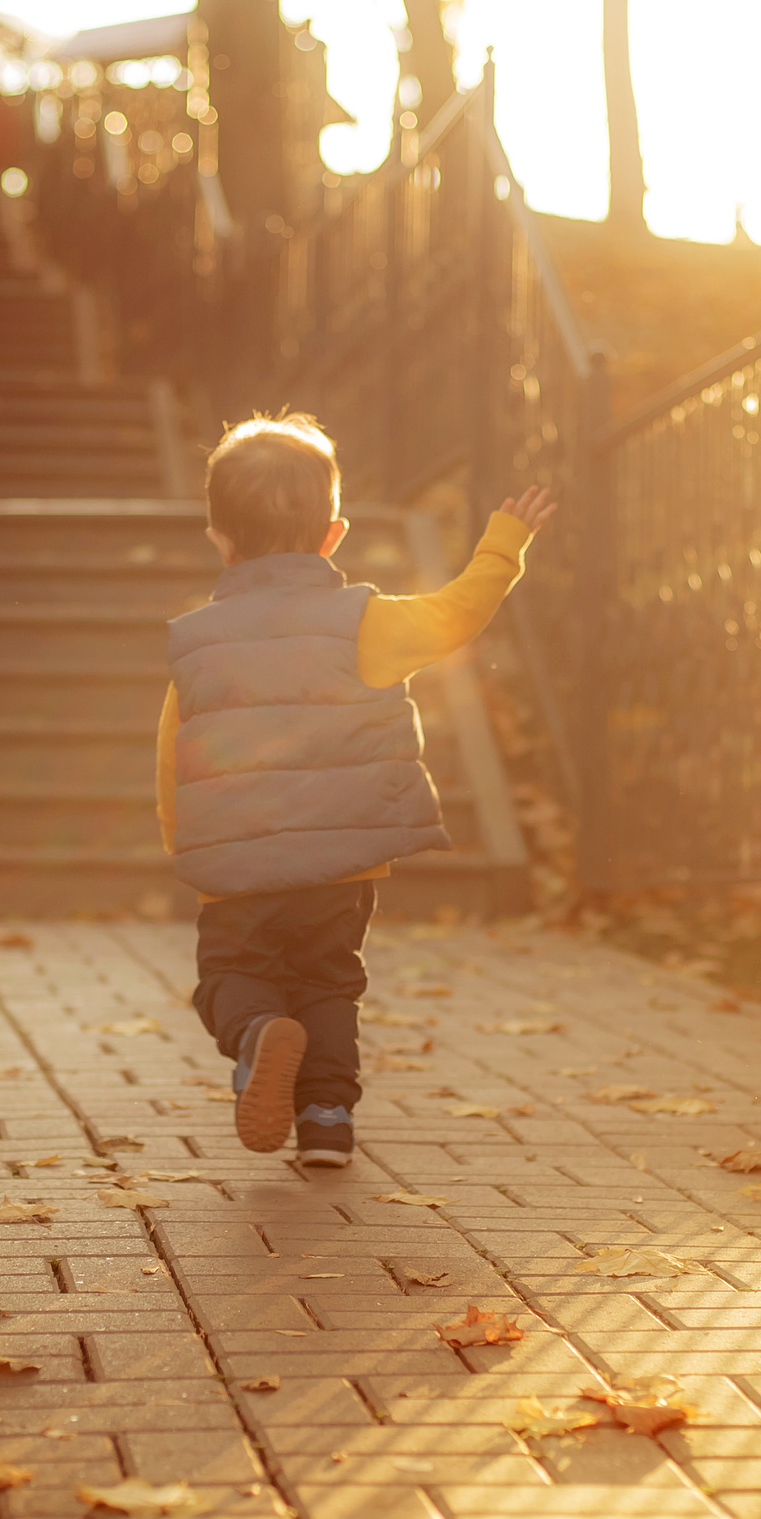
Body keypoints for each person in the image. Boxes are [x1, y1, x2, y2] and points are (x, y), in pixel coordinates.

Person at [157, 413, 557, 1166]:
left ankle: (253, 1036)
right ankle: (328, 1118)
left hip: (237, 869)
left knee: (233, 976)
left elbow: (175, 745)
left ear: (219, 538)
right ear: (334, 533)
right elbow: (455, 615)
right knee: (328, 981)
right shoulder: (363, 622)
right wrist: (504, 543)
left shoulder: (198, 637)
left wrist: (184, 837)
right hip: (340, 867)